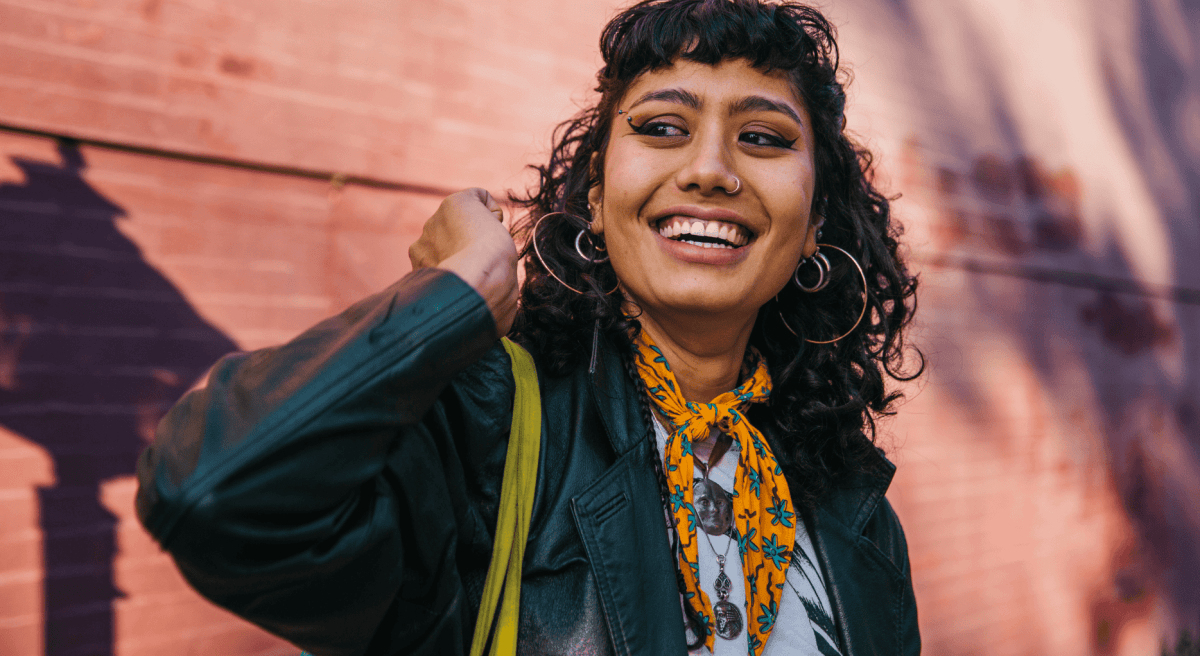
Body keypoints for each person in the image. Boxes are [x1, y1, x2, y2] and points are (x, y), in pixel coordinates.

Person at [135, 1, 923, 654]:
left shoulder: (853, 504)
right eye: (661, 127)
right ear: (597, 197)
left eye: (764, 138)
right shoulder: (489, 430)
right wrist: (456, 294)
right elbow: (216, 495)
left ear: (815, 222)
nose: (710, 169)